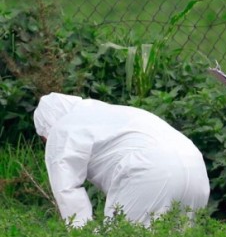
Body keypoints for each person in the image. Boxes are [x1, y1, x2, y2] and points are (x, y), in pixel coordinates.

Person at [34, 92, 210, 228]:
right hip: (195, 167)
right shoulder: (111, 112)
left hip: (149, 170)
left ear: (47, 130)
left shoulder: (61, 128)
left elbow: (66, 189)